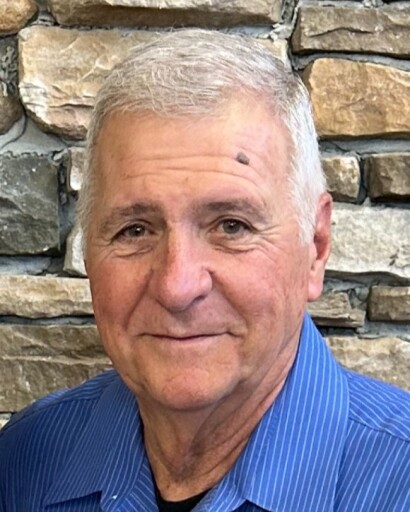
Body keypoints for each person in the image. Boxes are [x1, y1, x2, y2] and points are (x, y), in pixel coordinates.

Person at [1, 29, 409, 512]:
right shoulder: (24, 462)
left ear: (315, 247)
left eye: (231, 226)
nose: (177, 285)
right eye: (135, 230)